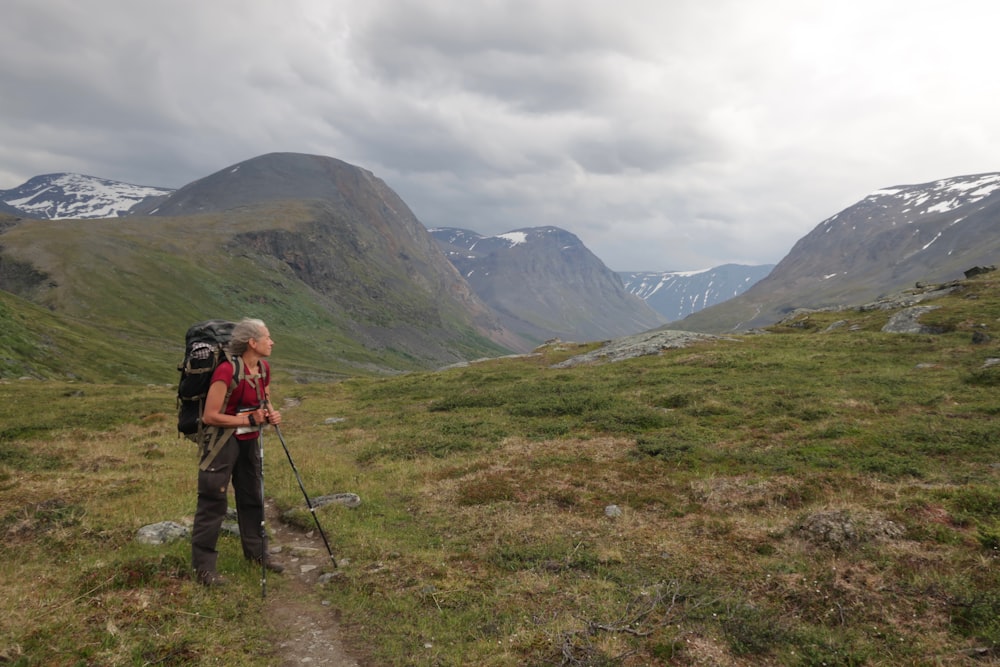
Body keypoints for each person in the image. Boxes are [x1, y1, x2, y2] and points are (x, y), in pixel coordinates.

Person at [191, 318, 284, 586]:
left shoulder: (263, 368)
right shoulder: (225, 371)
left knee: (252, 494)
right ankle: (204, 569)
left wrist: (270, 414)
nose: (272, 342)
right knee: (213, 501)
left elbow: (264, 399)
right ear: (252, 343)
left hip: (249, 441)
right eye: (267, 337)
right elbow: (210, 416)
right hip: (221, 442)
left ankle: (258, 554)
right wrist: (248, 421)